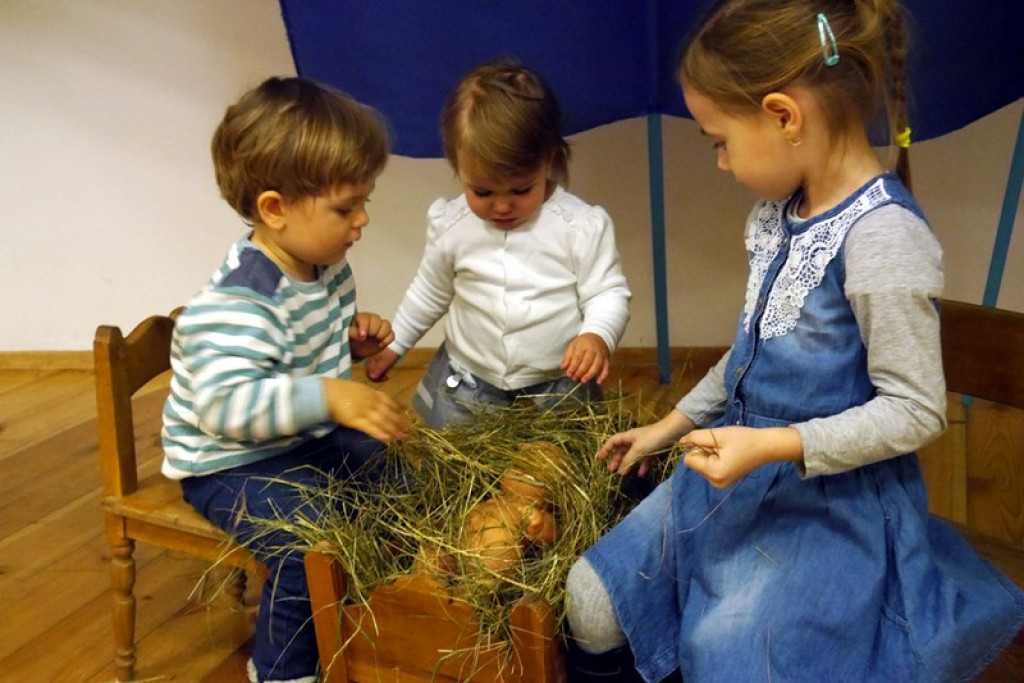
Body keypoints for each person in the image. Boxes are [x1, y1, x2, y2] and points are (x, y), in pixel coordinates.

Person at [564, 2, 1024, 681]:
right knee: (590, 602)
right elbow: (754, 351)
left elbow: (917, 409)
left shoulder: (883, 240)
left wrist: (776, 445)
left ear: (784, 116)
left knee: (731, 656)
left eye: (718, 138)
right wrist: (667, 426)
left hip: (829, 503)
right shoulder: (780, 214)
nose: (719, 161)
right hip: (737, 467)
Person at [161, 76, 408, 683]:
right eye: (346, 207)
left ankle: (369, 614)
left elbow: (298, 354)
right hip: (228, 463)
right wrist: (328, 392)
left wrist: (347, 344)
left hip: (296, 439)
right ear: (274, 210)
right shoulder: (240, 302)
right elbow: (227, 405)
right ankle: (282, 668)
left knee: (399, 473)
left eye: (363, 201)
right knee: (306, 544)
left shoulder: (324, 265)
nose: (363, 220)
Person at [363, 59, 631, 428]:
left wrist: (596, 334)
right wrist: (396, 345)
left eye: (521, 189)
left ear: (548, 159)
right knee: (457, 463)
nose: (502, 206)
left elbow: (607, 293)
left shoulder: (580, 226)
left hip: (557, 384)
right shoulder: (451, 224)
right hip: (470, 381)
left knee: (560, 462)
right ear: (457, 165)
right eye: (483, 191)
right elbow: (430, 291)